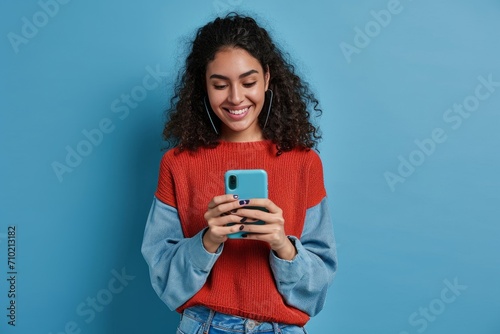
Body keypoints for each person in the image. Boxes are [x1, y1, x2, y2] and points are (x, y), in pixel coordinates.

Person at [141, 12, 337, 334]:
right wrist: (207, 239)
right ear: (203, 86)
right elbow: (165, 279)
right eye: (220, 84)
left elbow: (315, 292)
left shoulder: (304, 163)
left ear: (267, 79)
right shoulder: (178, 163)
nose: (235, 98)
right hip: (204, 325)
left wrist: (282, 245)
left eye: (248, 82)